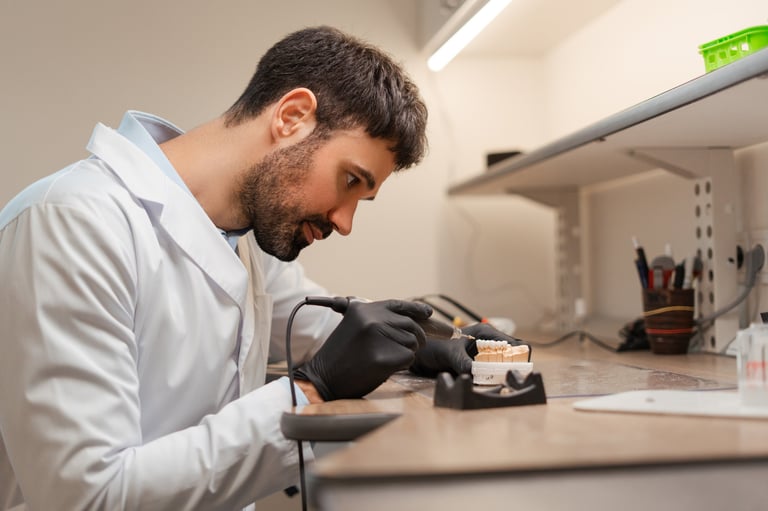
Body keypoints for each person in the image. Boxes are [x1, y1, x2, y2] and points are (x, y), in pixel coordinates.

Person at [0, 26, 522, 510]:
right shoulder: (71, 223)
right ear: (291, 117)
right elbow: (87, 496)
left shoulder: (233, 236)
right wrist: (311, 390)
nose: (344, 223)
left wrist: (427, 343)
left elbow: (322, 327)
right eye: (349, 181)